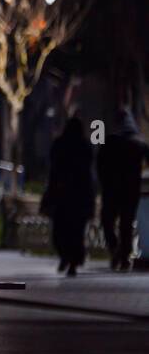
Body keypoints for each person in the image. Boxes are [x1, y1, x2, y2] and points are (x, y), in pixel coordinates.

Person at [40, 116, 96, 276]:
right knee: (76, 232)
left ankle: (67, 257)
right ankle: (72, 260)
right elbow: (87, 175)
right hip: (79, 197)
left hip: (63, 196)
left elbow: (54, 172)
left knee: (61, 231)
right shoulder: (85, 147)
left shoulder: (59, 145)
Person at [96, 107, 149, 271]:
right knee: (126, 224)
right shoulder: (138, 143)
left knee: (107, 221)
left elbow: (99, 165)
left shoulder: (108, 142)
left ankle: (115, 249)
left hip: (111, 190)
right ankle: (124, 256)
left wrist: (103, 182)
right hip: (131, 191)